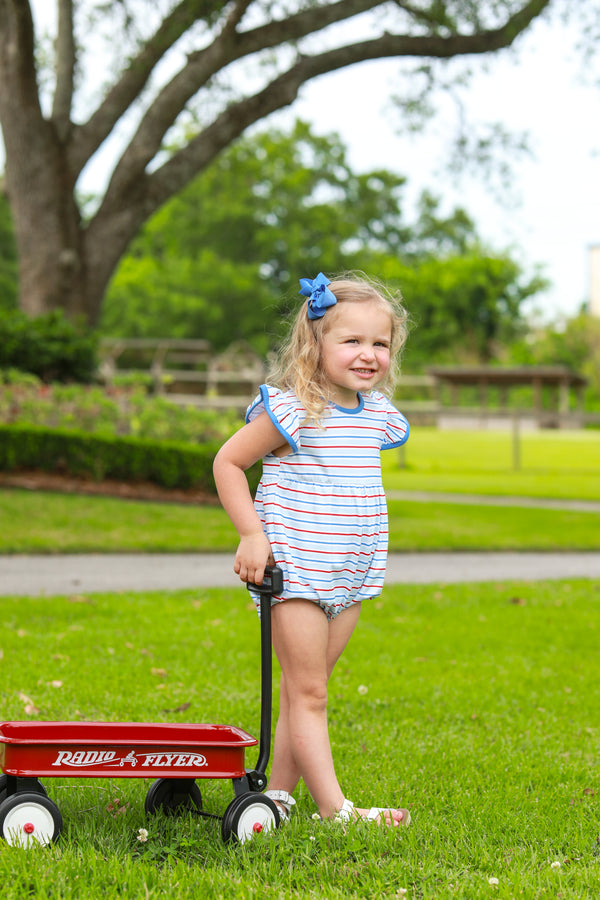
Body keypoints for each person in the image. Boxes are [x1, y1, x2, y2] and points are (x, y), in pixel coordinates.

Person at [213, 271, 411, 828]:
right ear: (315, 342)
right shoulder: (293, 410)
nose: (369, 354)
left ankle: (276, 795)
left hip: (349, 575)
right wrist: (252, 534)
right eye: (352, 340)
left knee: (306, 691)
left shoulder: (376, 415)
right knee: (309, 693)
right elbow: (228, 463)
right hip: (297, 570)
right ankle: (336, 810)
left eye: (380, 343)